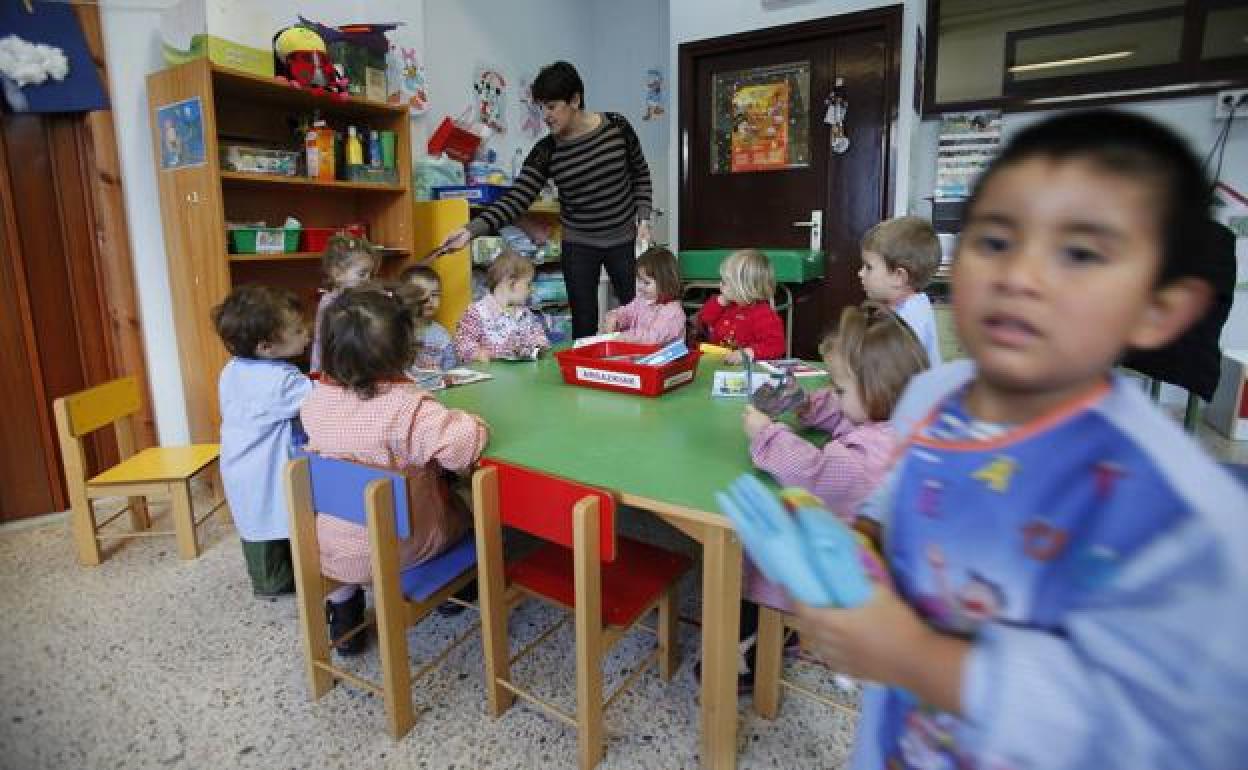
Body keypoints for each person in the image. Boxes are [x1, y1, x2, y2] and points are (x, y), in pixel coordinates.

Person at [792, 110, 1248, 769]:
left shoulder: (1188, 514)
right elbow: (897, 497)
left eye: (1081, 253)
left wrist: (915, 657)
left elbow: (1158, 726)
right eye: (996, 240)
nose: (1020, 276)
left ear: (1160, 308)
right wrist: (855, 556)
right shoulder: (931, 397)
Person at [302, 285, 488, 655]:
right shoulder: (408, 408)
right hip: (403, 548)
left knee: (348, 543)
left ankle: (344, 612)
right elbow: (461, 450)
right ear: (405, 349)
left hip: (331, 548)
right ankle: (453, 591)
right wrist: (475, 423)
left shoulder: (315, 400)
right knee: (466, 512)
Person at [436, 60, 653, 339]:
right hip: (579, 244)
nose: (545, 116)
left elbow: (640, 175)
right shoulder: (546, 151)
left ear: (575, 99)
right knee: (584, 324)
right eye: (541, 108)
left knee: (637, 316)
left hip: (624, 238)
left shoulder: (617, 128)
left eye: (551, 107)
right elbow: (516, 199)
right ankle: (583, 380)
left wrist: (644, 216)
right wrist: (470, 231)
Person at [211, 285, 313, 597]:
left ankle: (269, 579)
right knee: (278, 522)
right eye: (297, 330)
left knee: (255, 524)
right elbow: (320, 400)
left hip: (239, 464)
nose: (306, 333)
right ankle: (278, 582)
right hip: (267, 469)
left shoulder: (232, 370)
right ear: (267, 346)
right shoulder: (281, 381)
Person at [858, 216, 944, 366]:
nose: (860, 273)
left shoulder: (909, 321)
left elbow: (889, 376)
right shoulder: (906, 307)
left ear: (899, 277)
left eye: (869, 267)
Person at [453, 250, 550, 363]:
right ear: (511, 283)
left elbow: (538, 333)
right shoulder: (477, 312)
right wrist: (478, 354)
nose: (531, 289)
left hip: (521, 373)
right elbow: (463, 343)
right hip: (492, 375)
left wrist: (540, 343)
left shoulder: (524, 312)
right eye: (528, 284)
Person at [695, 248, 785, 363]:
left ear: (744, 287)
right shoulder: (727, 304)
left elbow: (776, 346)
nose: (721, 284)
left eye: (726, 281)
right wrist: (721, 300)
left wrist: (748, 353)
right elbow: (704, 319)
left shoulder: (764, 315)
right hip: (719, 362)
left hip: (748, 371)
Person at [309, 235, 377, 372]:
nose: (368, 279)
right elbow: (321, 342)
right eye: (362, 274)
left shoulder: (361, 297)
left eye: (371, 274)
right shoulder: (329, 302)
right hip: (334, 365)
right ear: (337, 274)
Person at [600, 246, 686, 345]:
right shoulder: (642, 300)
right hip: (641, 356)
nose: (640, 287)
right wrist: (616, 318)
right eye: (639, 281)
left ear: (666, 281)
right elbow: (627, 312)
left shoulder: (673, 311)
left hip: (665, 359)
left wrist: (623, 337)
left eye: (646, 283)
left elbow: (652, 338)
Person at [397, 265, 456, 370]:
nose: (429, 300)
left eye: (435, 294)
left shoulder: (442, 334)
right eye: (421, 294)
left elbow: (450, 365)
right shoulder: (396, 331)